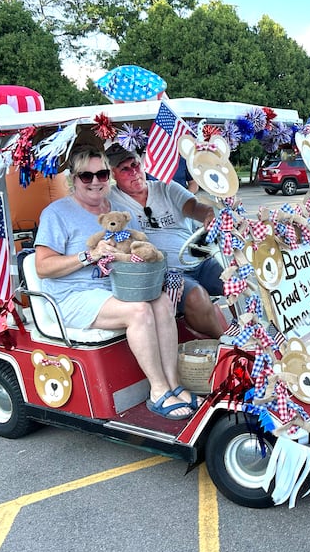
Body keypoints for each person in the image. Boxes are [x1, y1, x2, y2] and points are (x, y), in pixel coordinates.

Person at [34, 146, 202, 420]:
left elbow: (139, 248)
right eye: (86, 176)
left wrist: (165, 272)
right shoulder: (57, 213)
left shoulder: (121, 212)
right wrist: (90, 255)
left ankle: (173, 383)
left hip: (115, 288)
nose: (95, 181)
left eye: (101, 174)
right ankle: (158, 391)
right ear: (73, 179)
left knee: (161, 302)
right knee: (139, 310)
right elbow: (43, 267)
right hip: (72, 295)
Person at [105, 143, 226, 339]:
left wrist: (209, 214)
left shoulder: (166, 188)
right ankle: (227, 344)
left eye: (135, 165)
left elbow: (194, 207)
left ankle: (255, 332)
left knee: (237, 281)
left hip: (197, 259)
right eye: (124, 169)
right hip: (166, 274)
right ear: (113, 174)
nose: (133, 172)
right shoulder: (111, 200)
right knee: (197, 297)